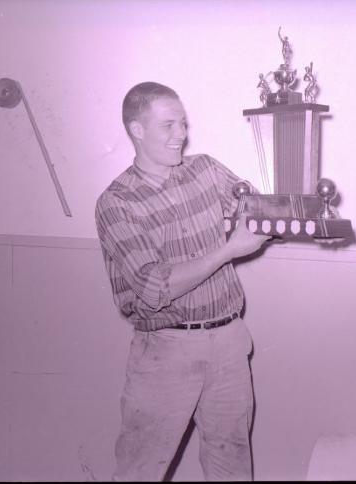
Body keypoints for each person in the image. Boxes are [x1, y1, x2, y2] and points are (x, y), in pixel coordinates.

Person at [95, 81, 271, 481]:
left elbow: (259, 210)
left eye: (183, 124)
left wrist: (303, 211)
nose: (182, 135)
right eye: (168, 125)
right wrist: (229, 250)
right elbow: (155, 287)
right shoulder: (117, 203)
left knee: (231, 466)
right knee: (140, 471)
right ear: (137, 130)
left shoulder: (205, 169)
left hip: (228, 342)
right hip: (166, 352)